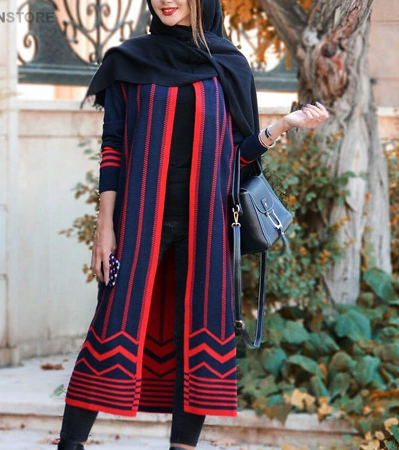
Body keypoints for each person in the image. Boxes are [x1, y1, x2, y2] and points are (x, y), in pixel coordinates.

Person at [56, 1, 329, 449]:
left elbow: (238, 157)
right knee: (111, 325)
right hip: (138, 221)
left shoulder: (228, 64)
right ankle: (70, 444)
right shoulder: (130, 60)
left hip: (208, 224)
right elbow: (113, 147)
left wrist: (282, 126)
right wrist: (104, 227)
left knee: (198, 335)